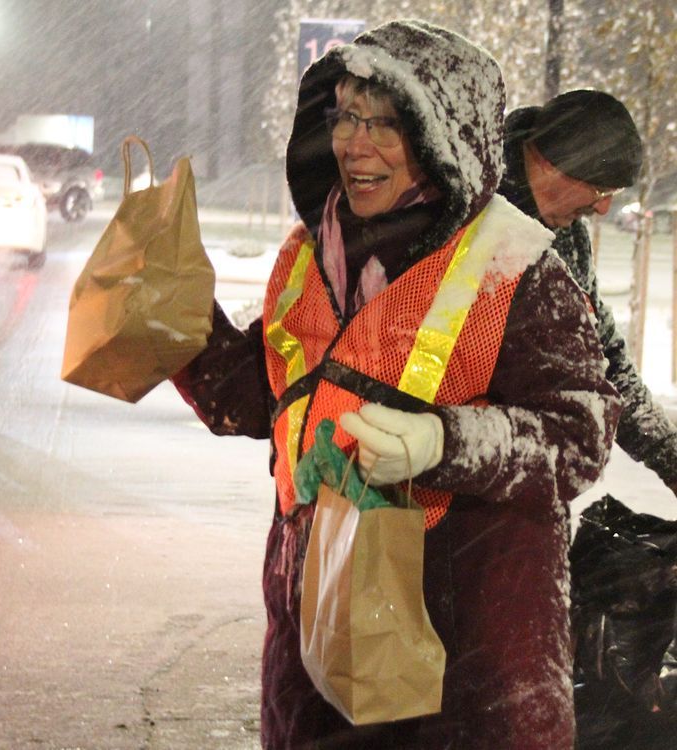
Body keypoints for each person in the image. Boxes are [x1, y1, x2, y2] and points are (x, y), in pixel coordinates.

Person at [171, 19, 621, 749]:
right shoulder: (309, 254)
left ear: (443, 141)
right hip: (320, 656)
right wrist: (176, 315)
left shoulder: (517, 266)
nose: (355, 143)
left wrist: (442, 442)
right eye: (346, 114)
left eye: (385, 123)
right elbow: (260, 397)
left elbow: (579, 434)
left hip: (462, 673)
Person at [498, 90, 677, 495]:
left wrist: (670, 456)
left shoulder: (568, 236)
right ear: (550, 165)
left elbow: (600, 354)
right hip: (450, 485)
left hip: (529, 485)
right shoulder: (474, 209)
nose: (604, 210)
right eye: (599, 190)